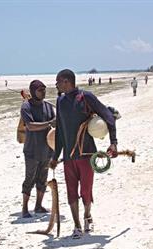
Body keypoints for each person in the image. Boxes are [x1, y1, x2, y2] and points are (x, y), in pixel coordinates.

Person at [49, 69, 117, 239]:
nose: (56, 85)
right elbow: (60, 132)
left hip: (87, 154)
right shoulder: (60, 101)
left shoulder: (85, 97)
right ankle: (77, 226)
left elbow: (108, 116)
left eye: (58, 81)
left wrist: (114, 142)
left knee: (86, 191)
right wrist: (55, 156)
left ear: (66, 81)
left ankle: (87, 214)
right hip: (68, 157)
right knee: (71, 192)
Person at [20, 80, 56, 218]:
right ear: (33, 91)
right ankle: (24, 209)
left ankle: (38, 206)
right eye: (40, 90)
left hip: (47, 149)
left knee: (43, 179)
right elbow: (30, 126)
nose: (43, 92)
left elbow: (55, 124)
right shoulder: (26, 107)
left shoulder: (48, 106)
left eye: (44, 89)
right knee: (29, 179)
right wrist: (48, 124)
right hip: (31, 150)